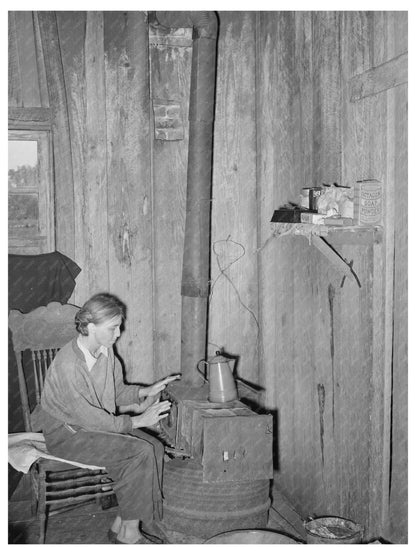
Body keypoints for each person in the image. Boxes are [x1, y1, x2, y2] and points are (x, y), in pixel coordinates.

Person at [39, 292, 180, 544]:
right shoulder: (68, 364)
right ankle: (129, 534)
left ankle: (122, 523)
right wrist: (137, 421)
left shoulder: (106, 350)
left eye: (119, 327)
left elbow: (117, 390)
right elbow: (88, 417)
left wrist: (147, 390)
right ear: (91, 327)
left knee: (155, 447)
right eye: (113, 328)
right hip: (66, 434)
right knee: (139, 452)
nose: (118, 334)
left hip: (92, 427)